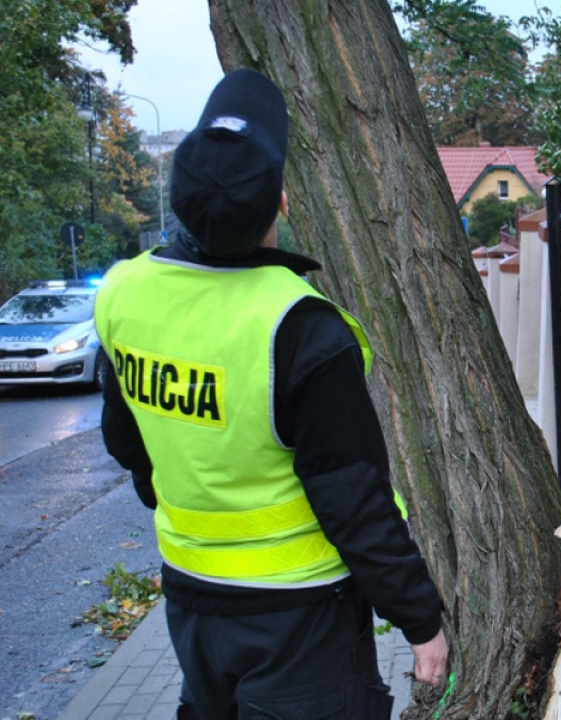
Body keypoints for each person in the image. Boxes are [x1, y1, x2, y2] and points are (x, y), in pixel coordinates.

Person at [95, 68, 448, 720]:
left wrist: (177, 499)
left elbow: (125, 437)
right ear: (281, 203)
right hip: (300, 620)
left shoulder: (123, 292)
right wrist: (420, 620)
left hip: (193, 600)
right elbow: (354, 501)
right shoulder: (300, 328)